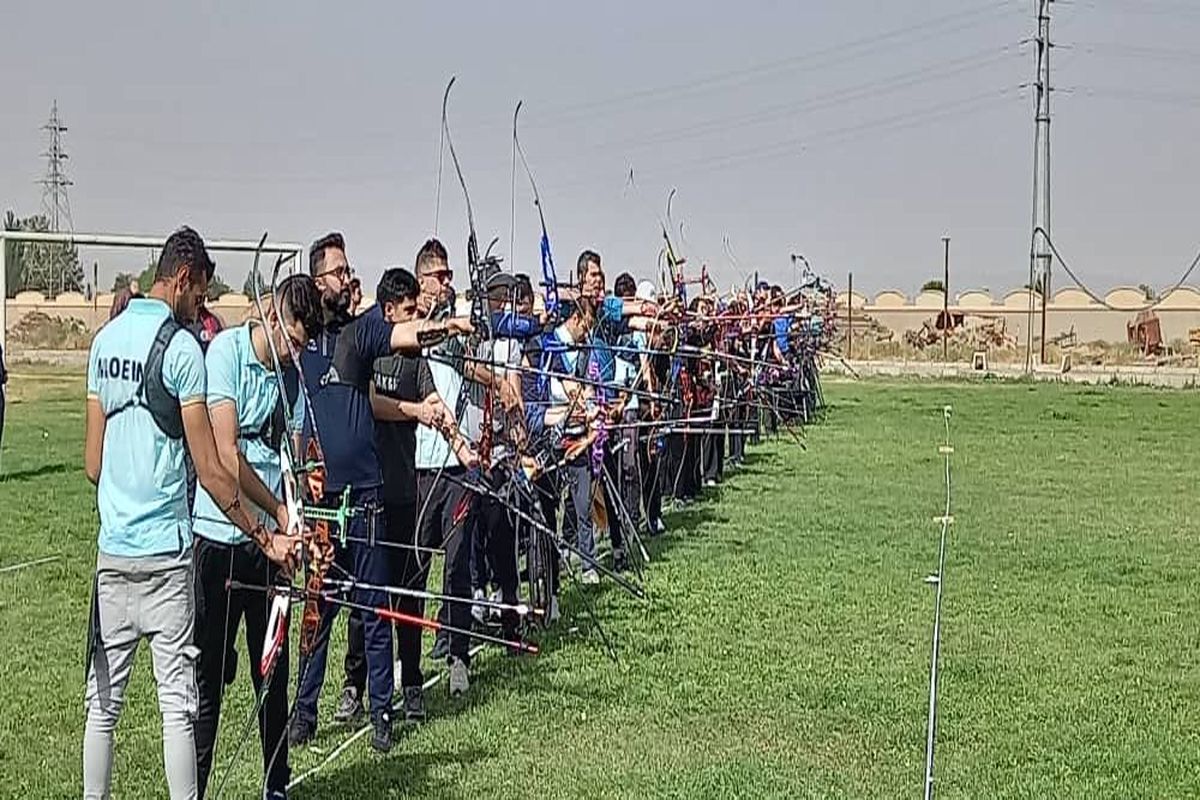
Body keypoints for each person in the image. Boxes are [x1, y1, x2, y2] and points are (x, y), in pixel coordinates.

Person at [82, 227, 298, 800]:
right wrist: (263, 531)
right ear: (182, 279)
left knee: (103, 705)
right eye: (200, 293)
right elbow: (211, 469)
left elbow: (92, 463)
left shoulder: (103, 343)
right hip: (169, 553)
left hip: (113, 552)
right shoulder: (182, 350)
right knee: (179, 705)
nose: (201, 305)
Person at [289, 232, 469, 753]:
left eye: (348, 272)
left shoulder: (359, 334)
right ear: (316, 280)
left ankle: (382, 710)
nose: (348, 279)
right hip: (322, 499)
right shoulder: (299, 337)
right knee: (317, 612)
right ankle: (303, 714)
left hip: (365, 496)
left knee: (374, 611)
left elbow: (404, 333)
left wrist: (448, 324)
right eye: (338, 272)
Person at [190, 274, 324, 799]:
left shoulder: (289, 375)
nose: (298, 351)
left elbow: (289, 448)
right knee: (209, 684)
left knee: (273, 672)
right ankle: (194, 787)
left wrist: (295, 515)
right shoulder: (224, 354)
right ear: (272, 314)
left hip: (272, 549)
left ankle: (276, 784)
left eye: (306, 343)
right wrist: (273, 513)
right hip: (220, 542)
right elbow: (227, 456)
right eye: (294, 337)